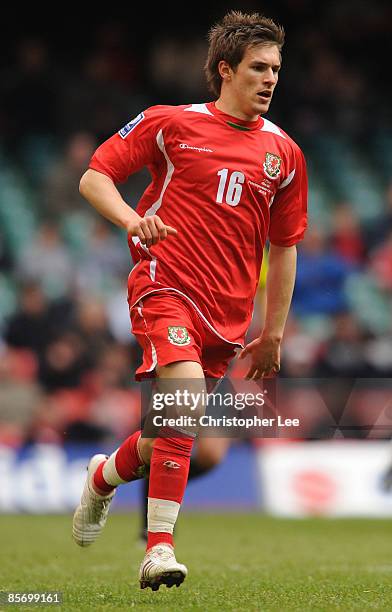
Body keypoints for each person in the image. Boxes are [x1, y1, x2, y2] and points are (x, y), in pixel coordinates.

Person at [72, 10, 307, 591]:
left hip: (228, 318)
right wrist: (135, 220)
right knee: (183, 403)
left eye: (276, 68)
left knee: (165, 436)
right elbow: (95, 177)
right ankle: (158, 551)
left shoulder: (287, 155)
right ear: (225, 70)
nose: (270, 78)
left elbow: (284, 247)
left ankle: (103, 476)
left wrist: (274, 331)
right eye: (258, 67)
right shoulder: (170, 124)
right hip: (165, 286)